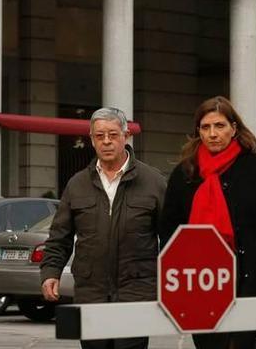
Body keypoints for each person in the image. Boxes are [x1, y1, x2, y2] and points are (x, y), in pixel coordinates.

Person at [159, 96, 256, 349]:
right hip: (201, 282)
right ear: (197, 132)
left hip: (249, 278)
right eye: (205, 127)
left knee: (242, 344)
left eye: (220, 126)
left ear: (234, 129)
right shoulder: (185, 173)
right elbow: (169, 232)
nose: (212, 134)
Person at [40, 107, 166, 349]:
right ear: (91, 139)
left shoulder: (154, 182)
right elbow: (59, 237)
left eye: (113, 135)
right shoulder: (77, 184)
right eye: (100, 136)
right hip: (91, 293)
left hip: (136, 292)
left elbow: (172, 238)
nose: (106, 142)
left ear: (126, 135)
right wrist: (50, 273)